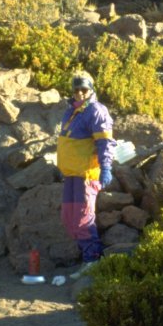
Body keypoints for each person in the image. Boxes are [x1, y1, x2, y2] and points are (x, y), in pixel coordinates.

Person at [57, 73, 114, 270]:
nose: (80, 93)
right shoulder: (70, 112)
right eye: (76, 89)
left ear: (91, 89)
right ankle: (86, 258)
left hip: (86, 174)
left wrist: (106, 167)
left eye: (84, 89)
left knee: (83, 217)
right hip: (71, 174)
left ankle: (93, 260)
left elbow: (104, 141)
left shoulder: (96, 111)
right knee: (69, 218)